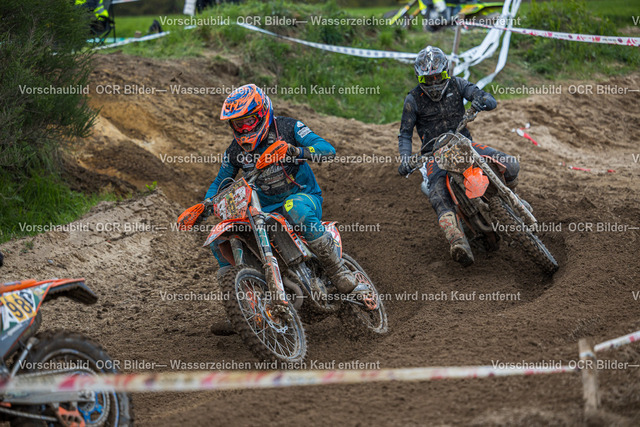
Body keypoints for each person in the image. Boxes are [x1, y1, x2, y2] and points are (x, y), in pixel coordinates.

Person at [205, 84, 359, 295]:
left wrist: (295, 151)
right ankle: (245, 301)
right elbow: (220, 182)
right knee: (221, 237)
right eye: (238, 124)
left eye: (249, 121)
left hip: (303, 197)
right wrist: (204, 204)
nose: (245, 129)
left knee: (294, 206)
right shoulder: (234, 151)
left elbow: (327, 150)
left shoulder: (288, 128)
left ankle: (338, 270)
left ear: (262, 113)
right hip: (264, 211)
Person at [397, 46, 520, 267]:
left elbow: (487, 98)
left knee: (510, 164)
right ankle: (457, 241)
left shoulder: (458, 84)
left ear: (446, 72)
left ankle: (512, 201)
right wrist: (405, 159)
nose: (434, 83)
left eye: (438, 76)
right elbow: (405, 134)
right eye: (428, 79)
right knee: (437, 194)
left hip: (464, 144)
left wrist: (483, 100)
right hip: (434, 155)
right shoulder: (412, 99)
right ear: (419, 78)